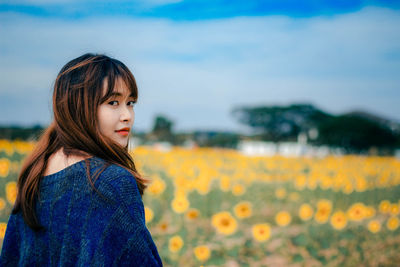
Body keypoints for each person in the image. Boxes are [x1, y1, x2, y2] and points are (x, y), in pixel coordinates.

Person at [0, 53, 163, 266]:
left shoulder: (34, 173)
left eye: (130, 103)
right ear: (79, 106)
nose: (127, 115)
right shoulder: (111, 182)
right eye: (113, 102)